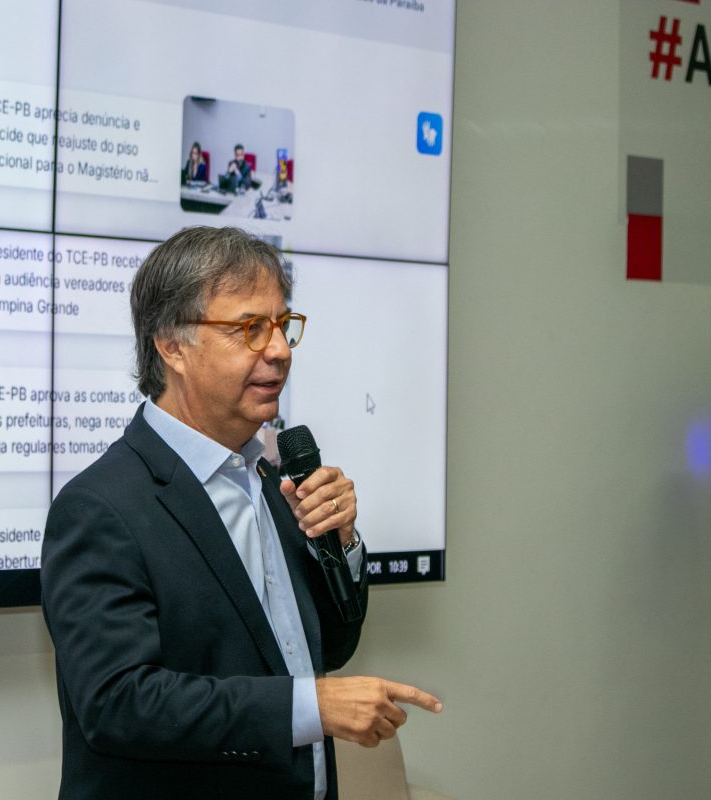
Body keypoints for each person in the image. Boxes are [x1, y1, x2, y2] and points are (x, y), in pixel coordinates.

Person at [41, 226, 441, 800]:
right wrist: (310, 706)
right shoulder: (100, 507)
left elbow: (326, 647)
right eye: (250, 328)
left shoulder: (272, 478)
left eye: (282, 325)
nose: (279, 350)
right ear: (172, 345)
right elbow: (118, 703)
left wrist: (343, 545)